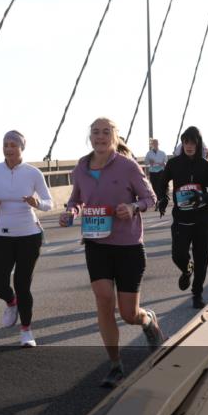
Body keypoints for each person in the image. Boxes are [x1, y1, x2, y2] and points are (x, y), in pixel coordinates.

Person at [60, 117, 162, 388]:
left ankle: (148, 320)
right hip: (96, 244)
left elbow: (151, 198)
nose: (100, 137)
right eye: (95, 132)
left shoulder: (128, 166)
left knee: (128, 314)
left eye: (106, 132)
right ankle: (115, 365)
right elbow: (76, 199)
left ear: (114, 137)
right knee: (104, 300)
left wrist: (133, 207)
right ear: (90, 137)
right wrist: (71, 212)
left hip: (128, 246)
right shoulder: (81, 168)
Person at [0, 130, 53, 347]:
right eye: (5, 144)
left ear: (22, 148)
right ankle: (11, 303)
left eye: (13, 145)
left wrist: (37, 203)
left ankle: (26, 331)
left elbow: (49, 203)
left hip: (29, 235)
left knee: (23, 284)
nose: (8, 149)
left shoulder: (33, 173)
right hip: (2, 235)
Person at [157, 126, 208, 309]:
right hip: (181, 219)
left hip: (202, 220)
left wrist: (202, 198)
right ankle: (186, 269)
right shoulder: (173, 164)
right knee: (178, 254)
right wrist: (163, 198)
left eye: (193, 143)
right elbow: (162, 183)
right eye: (186, 142)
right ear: (182, 144)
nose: (189, 146)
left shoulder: (207, 166)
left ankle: (197, 294)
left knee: (202, 260)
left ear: (198, 144)